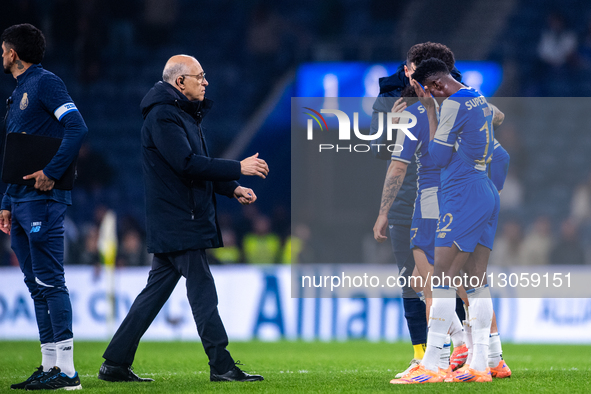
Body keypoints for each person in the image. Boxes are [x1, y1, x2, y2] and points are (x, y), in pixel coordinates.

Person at [98, 55, 268, 383]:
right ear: (180, 82)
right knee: (203, 292)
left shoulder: (181, 115)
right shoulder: (164, 116)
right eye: (200, 77)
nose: (205, 82)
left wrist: (232, 188)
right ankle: (221, 364)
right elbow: (187, 164)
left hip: (177, 219)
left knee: (152, 296)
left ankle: (115, 363)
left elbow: (195, 166)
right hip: (180, 221)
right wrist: (238, 167)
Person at [393, 58, 497, 384]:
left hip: (462, 195)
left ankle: (433, 364)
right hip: (485, 191)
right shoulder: (477, 95)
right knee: (476, 281)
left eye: (426, 91)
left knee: (441, 279)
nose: (427, 97)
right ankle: (480, 364)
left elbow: (437, 158)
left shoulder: (450, 104)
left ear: (436, 85)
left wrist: (430, 111)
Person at [0, 24, 87, 390]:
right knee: (37, 285)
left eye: (2, 49)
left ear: (14, 53)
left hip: (43, 199)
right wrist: (5, 201)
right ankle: (49, 364)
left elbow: (77, 126)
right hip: (19, 201)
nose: (1, 55)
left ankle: (67, 373)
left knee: (50, 282)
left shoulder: (45, 82)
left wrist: (52, 172)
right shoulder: (19, 91)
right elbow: (16, 154)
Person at [371, 42, 465, 377]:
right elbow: (382, 152)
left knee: (449, 278)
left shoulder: (454, 93)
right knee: (412, 281)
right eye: (412, 69)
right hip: (407, 200)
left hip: (445, 196)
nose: (413, 74)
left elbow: (491, 121)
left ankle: (454, 352)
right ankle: (425, 352)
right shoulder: (389, 97)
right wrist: (391, 127)